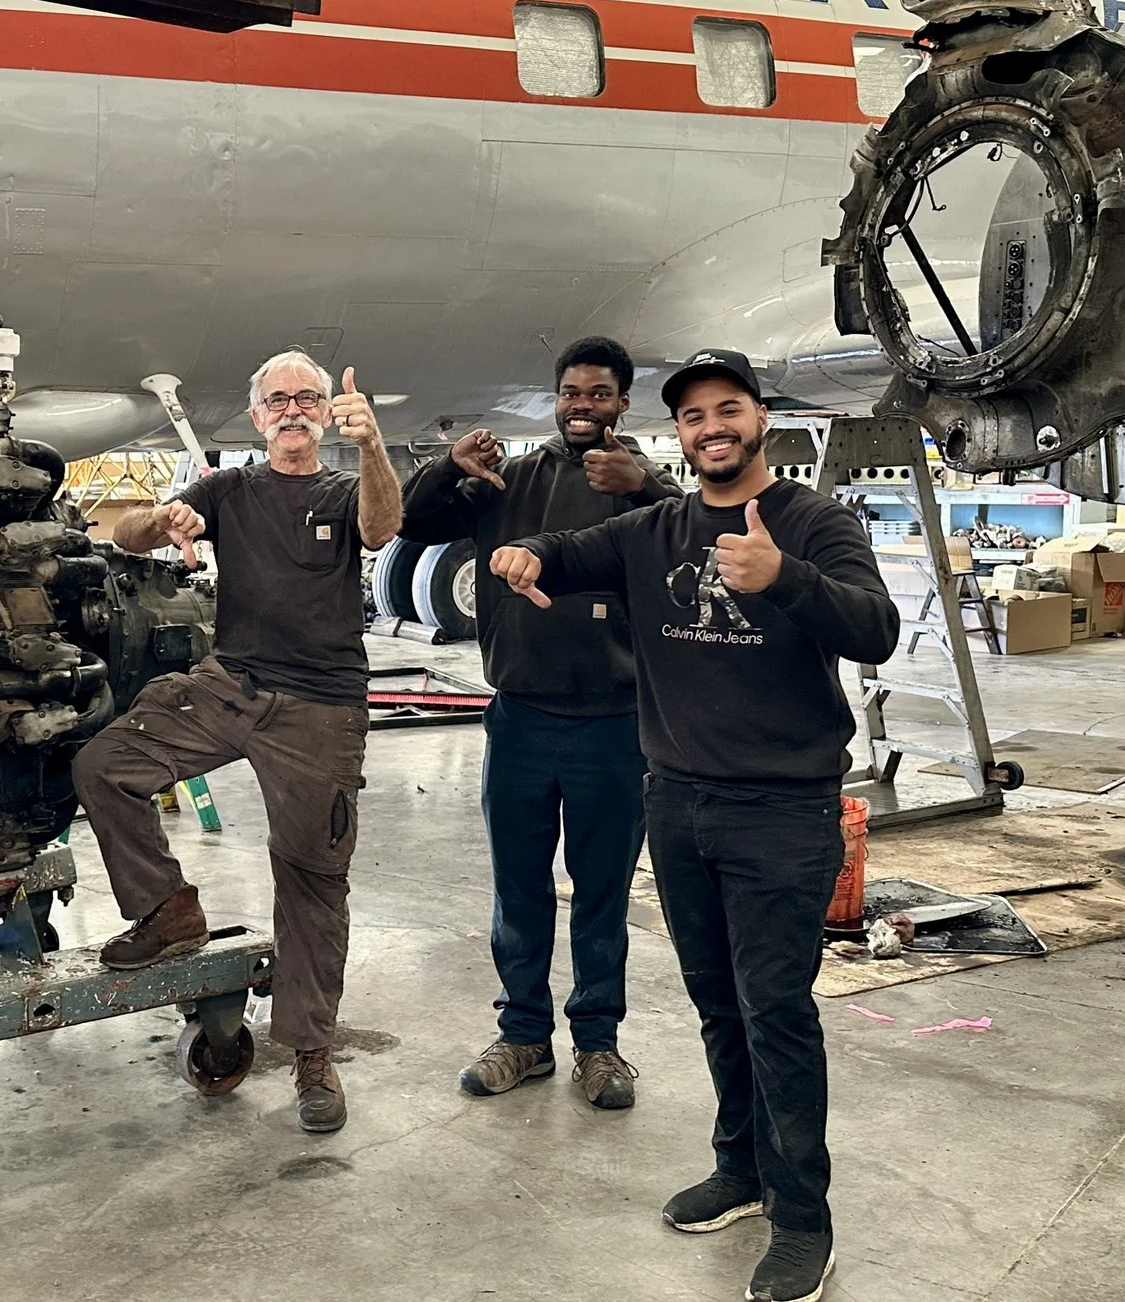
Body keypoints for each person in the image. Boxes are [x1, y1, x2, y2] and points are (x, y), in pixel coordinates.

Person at [489, 349, 899, 1302]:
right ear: (677, 432)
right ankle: (741, 1169)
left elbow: (875, 628)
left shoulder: (813, 523)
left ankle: (803, 1219)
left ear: (760, 420)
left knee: (776, 1011)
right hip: (677, 802)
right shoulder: (655, 528)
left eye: (728, 409)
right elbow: (567, 550)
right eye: (693, 415)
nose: (712, 427)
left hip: (782, 810)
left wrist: (783, 577)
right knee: (717, 1003)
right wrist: (525, 554)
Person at [73, 351, 401, 1134]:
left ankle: (312, 1053)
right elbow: (130, 535)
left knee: (312, 876)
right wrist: (166, 518)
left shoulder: (344, 487)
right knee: (105, 764)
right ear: (256, 417)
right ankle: (167, 908)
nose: (293, 410)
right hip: (231, 684)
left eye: (307, 398)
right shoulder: (228, 489)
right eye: (278, 400)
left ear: (324, 413)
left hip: (321, 706)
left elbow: (381, 526)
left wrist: (373, 446)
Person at [397, 337, 677, 1108]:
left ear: (623, 403)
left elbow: (689, 543)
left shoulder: (642, 486)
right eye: (570, 393)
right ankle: (523, 1035)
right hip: (519, 720)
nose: (581, 406)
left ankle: (599, 1045)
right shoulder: (511, 480)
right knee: (518, 889)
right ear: (556, 400)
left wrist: (644, 485)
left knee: (601, 894)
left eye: (598, 394)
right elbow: (411, 525)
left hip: (614, 725)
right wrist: (448, 466)